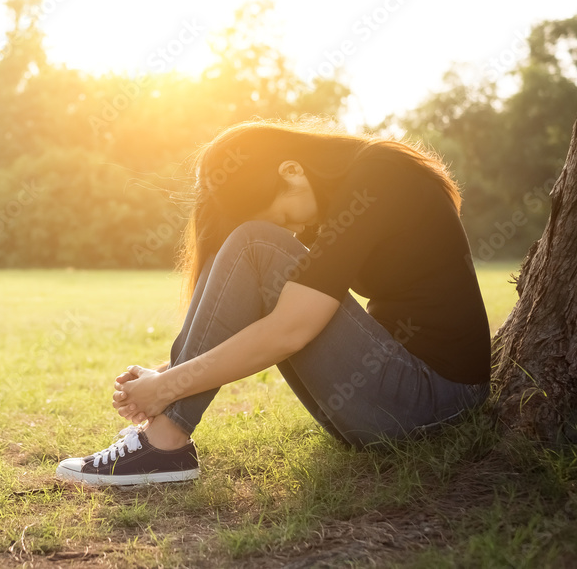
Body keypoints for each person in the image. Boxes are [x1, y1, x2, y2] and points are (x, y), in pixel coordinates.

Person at [55, 122, 492, 486]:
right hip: (397, 399)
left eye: (283, 213)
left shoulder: (378, 178)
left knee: (255, 243)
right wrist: (166, 376)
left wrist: (167, 390)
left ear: (292, 170)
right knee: (255, 245)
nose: (295, 227)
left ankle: (165, 443)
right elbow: (268, 317)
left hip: (434, 401)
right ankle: (165, 433)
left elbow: (290, 329)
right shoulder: (337, 204)